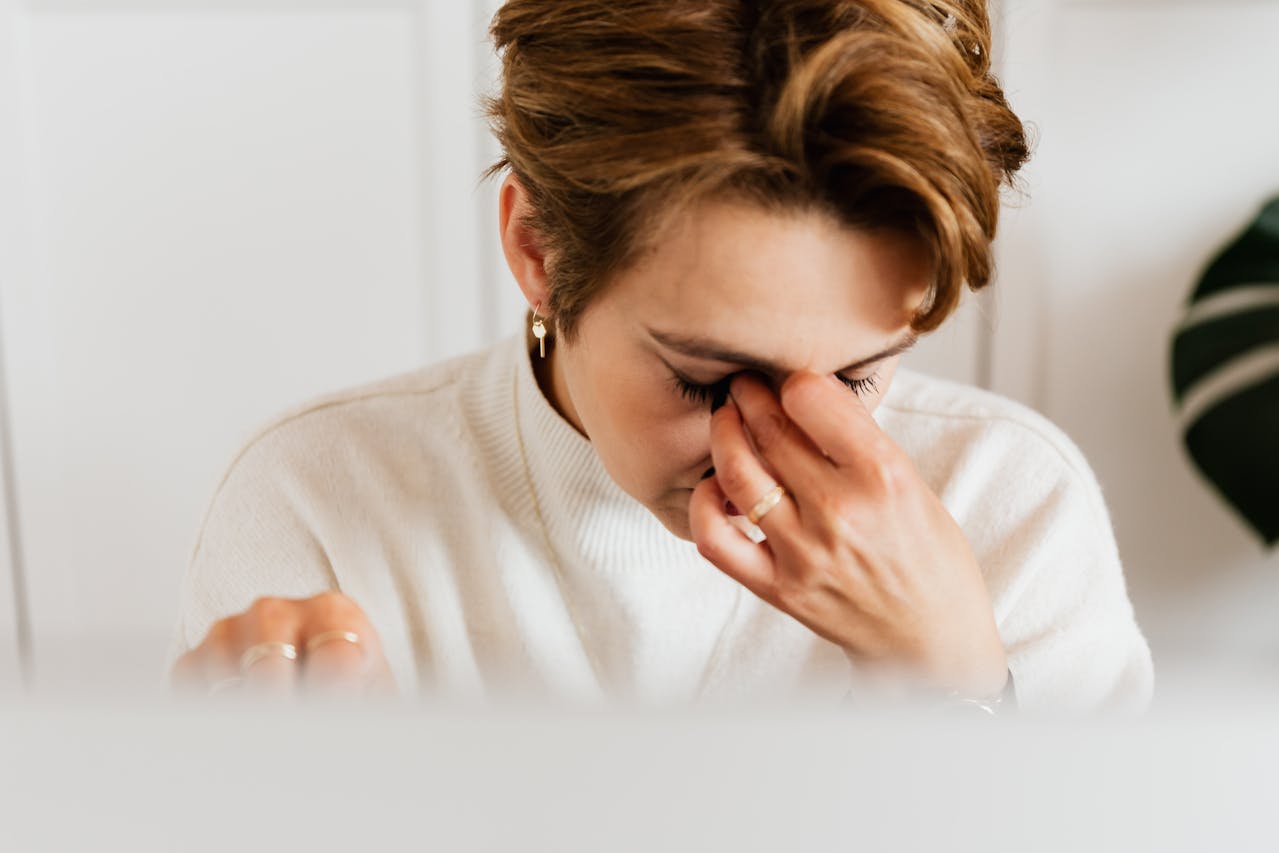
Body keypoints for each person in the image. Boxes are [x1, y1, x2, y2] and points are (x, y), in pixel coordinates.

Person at [168, 0, 1154, 713]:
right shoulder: (318, 498)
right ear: (538, 250)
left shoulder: (1010, 506)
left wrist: (957, 686)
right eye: (707, 378)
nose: (766, 451)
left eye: (859, 378)